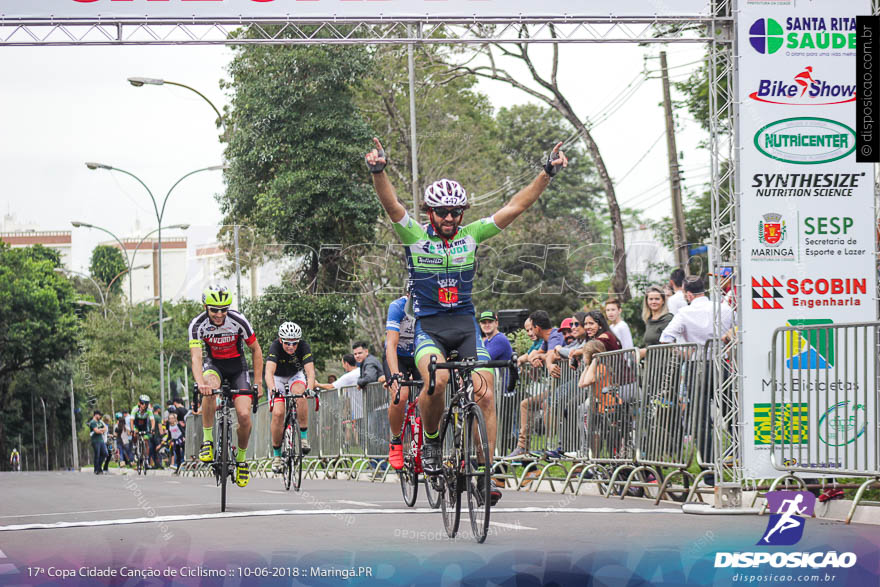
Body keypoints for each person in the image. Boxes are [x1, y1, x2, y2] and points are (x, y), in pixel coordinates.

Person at [365, 136, 567, 505]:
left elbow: (515, 207)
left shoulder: (471, 235)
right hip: (430, 327)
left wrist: (546, 174)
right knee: (437, 380)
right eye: (442, 212)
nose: (449, 218)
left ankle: (484, 467)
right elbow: (391, 204)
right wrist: (379, 171)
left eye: (456, 212)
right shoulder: (414, 236)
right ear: (430, 213)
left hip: (464, 325)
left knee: (485, 389)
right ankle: (429, 444)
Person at [189, 284, 263, 488]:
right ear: (205, 307)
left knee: (245, 415)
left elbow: (256, 350)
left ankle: (240, 460)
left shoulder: (238, 320)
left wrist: (258, 381)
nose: (220, 314)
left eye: (224, 309)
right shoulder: (197, 325)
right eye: (214, 310)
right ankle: (208, 441)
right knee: (209, 388)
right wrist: (200, 383)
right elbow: (196, 357)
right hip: (214, 365)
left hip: (238, 367)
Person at [507, 310, 566, 458]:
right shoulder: (546, 340)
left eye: (531, 328)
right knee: (526, 404)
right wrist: (534, 357)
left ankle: (554, 446)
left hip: (567, 383)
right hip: (556, 386)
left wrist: (544, 359)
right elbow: (536, 354)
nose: (530, 332)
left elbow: (551, 355)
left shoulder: (555, 335)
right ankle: (523, 447)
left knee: (547, 404)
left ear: (537, 328)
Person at [266, 321, 317, 474]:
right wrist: (273, 389)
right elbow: (268, 372)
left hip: (295, 375)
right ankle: (276, 456)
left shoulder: (303, 347)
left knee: (300, 395)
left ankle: (303, 437)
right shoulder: (275, 346)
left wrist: (309, 389)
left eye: (294, 343)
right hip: (277, 378)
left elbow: (310, 373)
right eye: (287, 343)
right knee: (278, 413)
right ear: (281, 340)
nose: (291, 347)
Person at [385, 287, 421, 470]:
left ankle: (430, 444)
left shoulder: (427, 307)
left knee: (433, 393)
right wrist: (394, 374)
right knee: (402, 395)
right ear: (408, 295)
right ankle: (396, 439)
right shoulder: (397, 307)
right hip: (398, 357)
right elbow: (391, 344)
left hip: (418, 356)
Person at [640, 285, 674, 356]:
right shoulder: (649, 320)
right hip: (651, 364)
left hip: (665, 364)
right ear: (646, 301)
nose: (654, 302)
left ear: (663, 301)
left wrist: (645, 352)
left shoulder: (668, 319)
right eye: (651, 299)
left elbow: (668, 346)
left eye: (657, 299)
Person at [130, 395, 157, 468]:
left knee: (146, 441)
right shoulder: (135, 409)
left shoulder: (149, 410)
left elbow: (152, 420)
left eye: (146, 403)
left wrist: (153, 428)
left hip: (144, 426)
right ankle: (135, 446)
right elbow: (131, 420)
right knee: (135, 434)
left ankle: (146, 459)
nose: (144, 405)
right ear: (139, 403)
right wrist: (132, 430)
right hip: (136, 425)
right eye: (142, 403)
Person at [88, 410, 108, 475]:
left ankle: (99, 467)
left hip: (101, 440)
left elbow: (105, 428)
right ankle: (96, 469)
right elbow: (96, 431)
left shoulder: (99, 422)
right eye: (99, 415)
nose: (100, 416)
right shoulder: (92, 422)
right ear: (96, 415)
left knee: (105, 453)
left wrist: (101, 430)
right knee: (97, 455)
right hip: (95, 441)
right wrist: (101, 430)